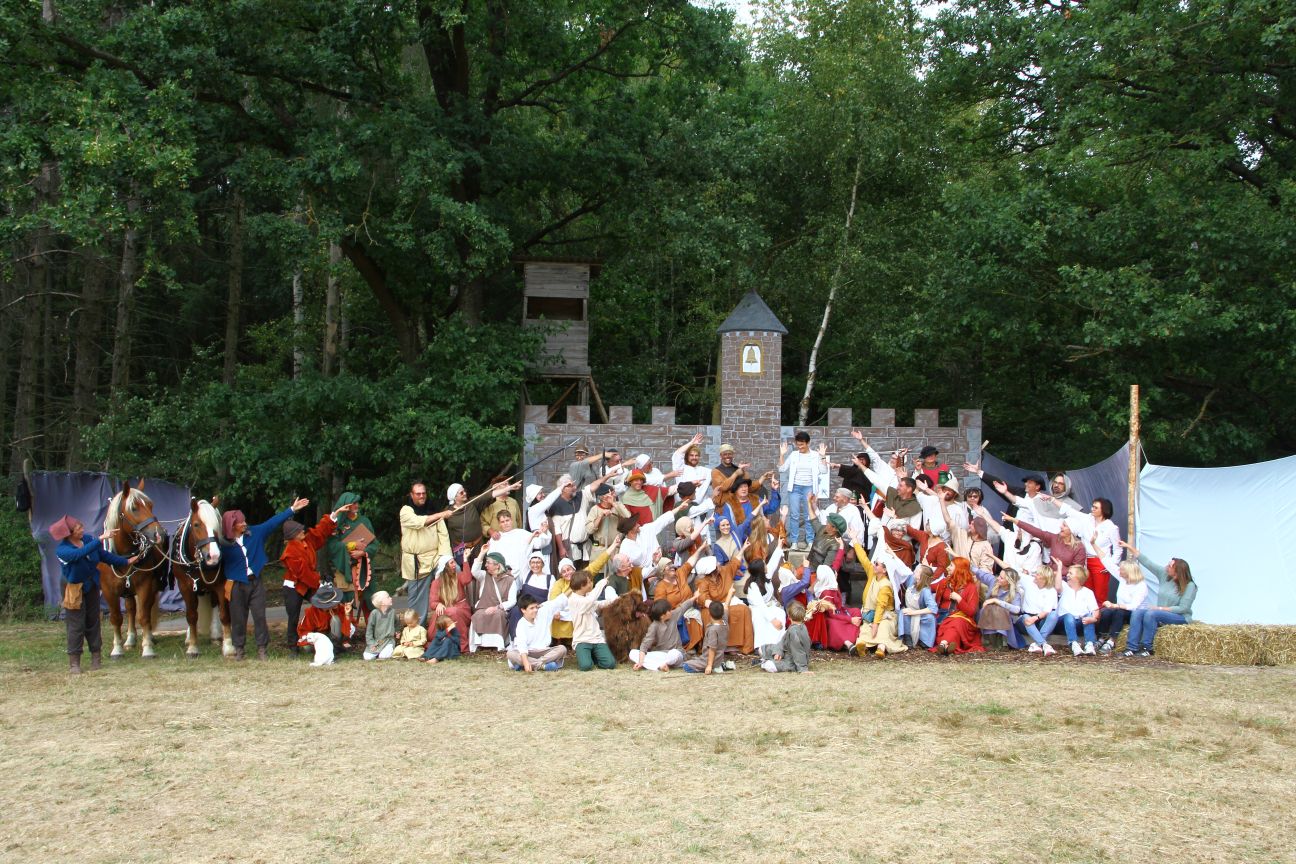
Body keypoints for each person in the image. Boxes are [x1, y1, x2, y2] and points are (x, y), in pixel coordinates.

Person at [221, 496, 310, 660]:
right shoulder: (222, 544)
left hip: (255, 582)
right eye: (241, 522)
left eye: (244, 520)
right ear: (232, 526)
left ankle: (262, 649)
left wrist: (292, 509)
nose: (245, 523)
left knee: (260, 616)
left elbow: (272, 522)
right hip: (235, 584)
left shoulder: (255, 533)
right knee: (238, 618)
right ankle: (239, 649)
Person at [52, 515, 139, 673]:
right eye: (78, 528)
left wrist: (125, 561)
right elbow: (78, 555)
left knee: (93, 621)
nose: (82, 530)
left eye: (81, 527)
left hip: (91, 585)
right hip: (74, 589)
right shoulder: (62, 550)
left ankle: (96, 658)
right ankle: (74, 663)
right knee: (76, 625)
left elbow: (103, 556)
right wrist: (100, 539)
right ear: (70, 533)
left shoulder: (87, 540)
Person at [279, 506, 343, 652]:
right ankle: (293, 647)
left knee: (325, 605)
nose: (303, 531)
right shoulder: (290, 552)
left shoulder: (307, 540)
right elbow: (302, 573)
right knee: (293, 617)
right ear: (293, 536)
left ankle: (331, 639)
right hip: (293, 587)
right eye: (299, 531)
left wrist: (333, 516)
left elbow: (320, 532)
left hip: (309, 583)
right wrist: (319, 581)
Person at [1119, 542, 1198, 657]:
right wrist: (1129, 547)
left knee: (1152, 614)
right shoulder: (1165, 575)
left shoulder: (1190, 586)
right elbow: (1147, 562)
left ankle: (1147, 647)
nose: (1166, 567)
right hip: (1161, 613)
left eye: (1169, 566)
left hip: (1180, 617)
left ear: (1177, 571)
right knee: (1138, 612)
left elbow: (1183, 608)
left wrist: (1160, 609)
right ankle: (1131, 647)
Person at [399, 482, 452, 627]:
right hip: (416, 561)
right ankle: (416, 629)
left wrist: (446, 557)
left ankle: (450, 623)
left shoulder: (432, 509)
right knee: (417, 599)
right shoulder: (406, 511)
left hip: (435, 558)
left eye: (423, 493)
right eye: (418, 493)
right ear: (411, 495)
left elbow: (443, 535)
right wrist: (442, 514)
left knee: (454, 573)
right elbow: (418, 522)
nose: (422, 496)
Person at [323, 492, 379, 619]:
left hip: (364, 567)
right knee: (347, 604)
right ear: (345, 505)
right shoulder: (337, 524)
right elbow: (332, 545)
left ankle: (371, 629)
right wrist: (352, 545)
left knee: (369, 601)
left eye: (357, 503)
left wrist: (364, 552)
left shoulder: (365, 521)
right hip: (346, 569)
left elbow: (374, 544)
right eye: (353, 503)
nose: (356, 505)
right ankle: (348, 630)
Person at [560, 570, 619, 671]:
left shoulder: (587, 596)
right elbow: (589, 602)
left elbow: (598, 604)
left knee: (610, 664)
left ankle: (593, 656)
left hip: (596, 638)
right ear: (581, 585)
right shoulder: (573, 599)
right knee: (586, 666)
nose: (592, 583)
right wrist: (601, 584)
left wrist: (614, 601)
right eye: (589, 582)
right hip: (581, 639)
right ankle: (588, 656)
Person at [853, 556, 909, 658]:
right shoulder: (873, 577)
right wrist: (855, 545)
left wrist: (876, 623)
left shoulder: (886, 585)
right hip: (872, 614)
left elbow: (881, 606)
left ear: (884, 570)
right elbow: (863, 559)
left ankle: (881, 648)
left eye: (877, 564)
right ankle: (863, 646)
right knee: (866, 628)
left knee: (884, 626)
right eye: (874, 563)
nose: (873, 565)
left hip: (887, 615)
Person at [778, 432, 826, 550]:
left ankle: (810, 541)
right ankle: (794, 542)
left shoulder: (815, 455)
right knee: (794, 515)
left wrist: (823, 456)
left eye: (802, 444)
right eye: (798, 444)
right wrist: (782, 454)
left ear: (808, 443)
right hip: (794, 488)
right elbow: (782, 468)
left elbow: (824, 470)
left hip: (809, 487)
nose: (800, 447)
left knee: (808, 515)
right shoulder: (794, 455)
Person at [630, 593, 697, 672]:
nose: (671, 611)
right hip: (661, 654)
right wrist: (640, 662)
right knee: (632, 653)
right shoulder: (654, 626)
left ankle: (659, 664)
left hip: (676, 654)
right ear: (662, 616)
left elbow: (683, 607)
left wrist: (695, 596)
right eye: (668, 610)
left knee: (674, 654)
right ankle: (660, 666)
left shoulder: (673, 615)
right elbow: (645, 644)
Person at [931, 558, 984, 655]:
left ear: (959, 569)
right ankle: (946, 647)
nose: (947, 568)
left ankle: (943, 644)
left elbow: (971, 611)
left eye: (951, 565)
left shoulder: (971, 587)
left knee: (957, 623)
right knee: (953, 627)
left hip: (963, 618)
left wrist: (959, 599)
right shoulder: (944, 582)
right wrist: (925, 573)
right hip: (944, 616)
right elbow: (928, 587)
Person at [1096, 560, 1147, 654]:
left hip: (1135, 613)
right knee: (1106, 612)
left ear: (1128, 572)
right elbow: (1109, 564)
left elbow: (1134, 606)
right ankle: (1102, 637)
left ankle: (1112, 640)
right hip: (1120, 608)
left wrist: (1116, 605)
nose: (1119, 570)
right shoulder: (1123, 579)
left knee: (1119, 612)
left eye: (1122, 569)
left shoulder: (1141, 585)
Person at [469, 552, 516, 652]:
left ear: (497, 565)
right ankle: (478, 644)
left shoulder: (510, 580)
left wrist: (497, 607)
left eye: (488, 563)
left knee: (498, 615)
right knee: (478, 615)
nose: (485, 565)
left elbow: (512, 601)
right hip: (484, 607)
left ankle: (498, 644)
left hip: (500, 609)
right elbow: (474, 571)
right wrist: (481, 553)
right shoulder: (484, 576)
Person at [507, 595, 568, 672]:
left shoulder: (543, 611)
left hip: (544, 652)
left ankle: (529, 665)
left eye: (536, 607)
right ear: (523, 610)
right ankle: (543, 666)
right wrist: (525, 662)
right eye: (531, 608)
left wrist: (542, 605)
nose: (535, 610)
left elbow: (560, 601)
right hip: (529, 652)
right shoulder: (521, 624)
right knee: (510, 654)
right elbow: (522, 646)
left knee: (562, 649)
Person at [429, 556, 474, 654]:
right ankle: (438, 644)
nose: (455, 565)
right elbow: (432, 602)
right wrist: (438, 604)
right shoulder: (436, 583)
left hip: (462, 609)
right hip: (446, 610)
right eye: (452, 563)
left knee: (453, 611)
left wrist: (465, 560)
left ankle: (462, 646)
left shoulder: (458, 576)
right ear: (445, 567)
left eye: (454, 562)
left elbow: (467, 579)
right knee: (442, 614)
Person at [296, 583, 356, 652]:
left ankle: (335, 647)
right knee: (307, 647)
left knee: (335, 619)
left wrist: (347, 614)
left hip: (335, 639)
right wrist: (317, 638)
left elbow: (348, 631)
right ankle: (329, 649)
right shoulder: (312, 612)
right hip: (319, 639)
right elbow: (303, 630)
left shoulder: (340, 608)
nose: (338, 602)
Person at [1057, 565, 1100, 656]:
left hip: (1080, 622)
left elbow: (1095, 610)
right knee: (1069, 616)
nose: (1067, 575)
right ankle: (1074, 644)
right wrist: (1059, 568)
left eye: (1070, 573)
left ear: (1078, 577)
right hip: (1064, 623)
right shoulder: (1064, 587)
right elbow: (1057, 587)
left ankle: (1090, 644)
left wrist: (1093, 618)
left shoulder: (1088, 592)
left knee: (1088, 616)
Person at [1018, 565, 1060, 655]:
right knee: (1026, 617)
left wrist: (1035, 618)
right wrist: (994, 558)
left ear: (1044, 578)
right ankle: (1044, 644)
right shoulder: (1029, 581)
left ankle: (1037, 644)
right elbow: (1011, 569)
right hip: (1026, 619)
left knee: (1054, 614)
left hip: (1040, 619)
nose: (1034, 575)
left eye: (1037, 574)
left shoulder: (1051, 591)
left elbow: (1046, 611)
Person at [979, 568, 1024, 649]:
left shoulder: (1015, 593)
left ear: (1008, 582)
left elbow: (1017, 610)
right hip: (987, 616)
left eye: (1001, 578)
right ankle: (989, 640)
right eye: (999, 576)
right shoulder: (994, 583)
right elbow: (980, 573)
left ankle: (1001, 642)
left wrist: (997, 601)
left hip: (1005, 621)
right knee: (991, 609)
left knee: (1000, 610)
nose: (998, 578)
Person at [762, 601, 811, 673]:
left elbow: (798, 651)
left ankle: (766, 661)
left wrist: (803, 669)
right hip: (786, 653)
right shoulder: (797, 627)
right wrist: (778, 652)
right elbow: (783, 641)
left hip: (792, 662)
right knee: (764, 648)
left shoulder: (794, 632)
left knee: (769, 665)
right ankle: (769, 658)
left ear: (789, 617)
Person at [683, 601, 731, 674]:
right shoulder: (725, 623)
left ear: (709, 613)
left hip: (709, 660)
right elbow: (726, 607)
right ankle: (718, 665)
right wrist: (730, 594)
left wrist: (709, 666)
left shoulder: (713, 630)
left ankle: (714, 667)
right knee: (692, 659)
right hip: (719, 658)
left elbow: (712, 649)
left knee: (686, 666)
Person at [443, 483, 484, 566]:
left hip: (478, 545)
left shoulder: (472, 503)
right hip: (460, 549)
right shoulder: (447, 511)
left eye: (464, 491)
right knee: (464, 571)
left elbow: (489, 495)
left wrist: (509, 487)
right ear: (455, 497)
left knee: (480, 568)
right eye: (461, 493)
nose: (465, 493)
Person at [901, 564, 938, 650]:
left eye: (917, 571)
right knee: (903, 613)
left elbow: (933, 608)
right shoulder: (912, 581)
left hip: (920, 613)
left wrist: (914, 612)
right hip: (909, 611)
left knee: (930, 618)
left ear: (922, 576)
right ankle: (908, 638)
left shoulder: (925, 590)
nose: (914, 571)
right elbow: (902, 569)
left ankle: (924, 640)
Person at [671, 433, 712, 500]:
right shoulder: (680, 468)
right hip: (683, 505)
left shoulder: (706, 471)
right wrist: (691, 443)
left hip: (702, 506)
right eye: (691, 455)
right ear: (687, 456)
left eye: (696, 455)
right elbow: (677, 454)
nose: (694, 457)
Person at [363, 590, 397, 660]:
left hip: (388, 641)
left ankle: (382, 653)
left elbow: (397, 624)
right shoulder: (374, 613)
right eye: (388, 597)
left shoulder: (392, 612)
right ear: (382, 602)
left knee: (384, 656)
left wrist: (397, 632)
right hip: (378, 642)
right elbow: (369, 631)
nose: (391, 598)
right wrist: (371, 644)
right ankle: (378, 653)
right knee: (367, 657)